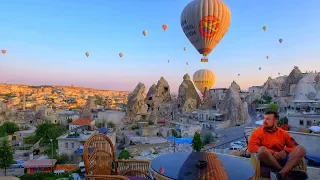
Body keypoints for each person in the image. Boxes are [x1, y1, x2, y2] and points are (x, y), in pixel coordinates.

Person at [248, 110, 308, 180]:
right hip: (267, 160)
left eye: (268, 119)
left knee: (301, 149)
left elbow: (294, 146)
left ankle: (280, 174)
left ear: (276, 121)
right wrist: (272, 153)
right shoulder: (257, 132)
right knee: (262, 150)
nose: (264, 121)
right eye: (264, 118)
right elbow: (251, 147)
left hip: (281, 159)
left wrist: (284, 151)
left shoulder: (283, 133)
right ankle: (284, 172)